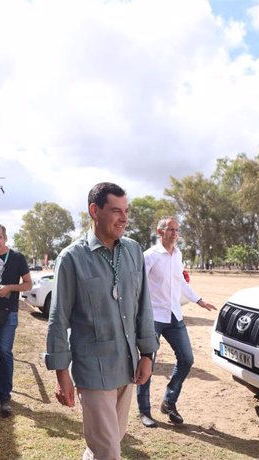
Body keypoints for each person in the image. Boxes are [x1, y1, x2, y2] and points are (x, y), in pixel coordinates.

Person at [45, 182, 158, 460]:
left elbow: (143, 306)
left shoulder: (133, 250)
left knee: (109, 441)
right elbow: (58, 318)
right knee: (108, 451)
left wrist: (147, 354)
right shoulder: (71, 258)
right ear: (95, 211)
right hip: (93, 369)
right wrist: (62, 374)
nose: (124, 218)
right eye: (116, 211)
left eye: (126, 211)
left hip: (127, 365)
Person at [137, 216, 216, 428]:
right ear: (160, 231)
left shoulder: (177, 254)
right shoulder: (150, 256)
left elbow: (181, 281)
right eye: (170, 229)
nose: (174, 233)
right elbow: (137, 285)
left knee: (187, 359)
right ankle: (144, 411)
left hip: (174, 315)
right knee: (148, 364)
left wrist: (198, 300)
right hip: (152, 317)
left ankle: (169, 402)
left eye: (177, 230)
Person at [0, 223, 32, 417]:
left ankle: (6, 397)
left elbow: (28, 284)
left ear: (6, 238)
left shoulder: (17, 258)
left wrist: (9, 288)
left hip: (9, 312)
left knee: (4, 351)